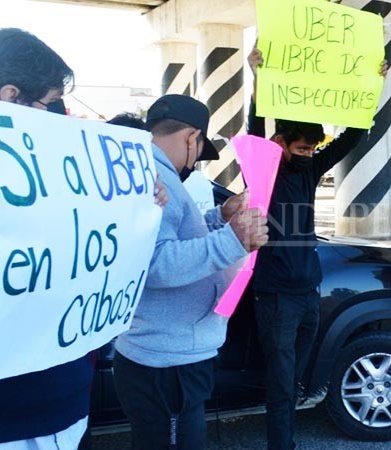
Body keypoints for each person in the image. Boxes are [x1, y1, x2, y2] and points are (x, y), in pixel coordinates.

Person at [247, 47, 387, 450]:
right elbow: (254, 133)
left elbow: (352, 138)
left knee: (296, 379)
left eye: (312, 150)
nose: (308, 156)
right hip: (276, 297)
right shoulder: (265, 171)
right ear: (281, 143)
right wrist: (258, 80)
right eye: (301, 150)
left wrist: (372, 87)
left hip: (308, 292)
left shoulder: (310, 170)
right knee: (280, 383)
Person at [112, 94, 269, 449]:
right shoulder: (155, 179)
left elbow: (176, 236)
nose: (196, 160)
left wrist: (219, 217)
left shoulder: (149, 173)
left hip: (167, 355)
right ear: (191, 137)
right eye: (199, 149)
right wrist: (232, 240)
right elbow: (156, 263)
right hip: (166, 362)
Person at [0, 28, 92, 449]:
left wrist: (139, 207)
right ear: (11, 97)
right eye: (50, 102)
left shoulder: (60, 168)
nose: (57, 116)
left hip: (66, 405)